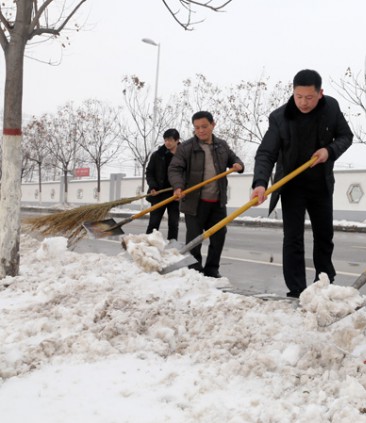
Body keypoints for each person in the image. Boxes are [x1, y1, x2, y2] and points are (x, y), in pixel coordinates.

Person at [251, 69, 353, 298]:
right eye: (299, 96)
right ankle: (296, 289)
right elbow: (266, 153)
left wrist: (329, 151)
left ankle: (324, 282)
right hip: (292, 186)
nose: (303, 102)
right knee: (293, 238)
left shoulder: (331, 108)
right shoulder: (279, 117)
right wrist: (259, 183)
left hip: (320, 185)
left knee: (324, 235)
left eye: (309, 97)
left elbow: (346, 136)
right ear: (293, 92)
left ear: (320, 94)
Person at [168, 111, 244, 278]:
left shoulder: (221, 146)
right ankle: (195, 271)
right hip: (194, 203)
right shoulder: (186, 148)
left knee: (219, 237)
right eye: (197, 128)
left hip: (217, 202)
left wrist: (238, 164)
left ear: (213, 125)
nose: (201, 131)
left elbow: (234, 159)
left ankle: (212, 269)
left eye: (204, 126)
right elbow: (175, 169)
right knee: (195, 240)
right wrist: (178, 186)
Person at [145, 128, 181, 240]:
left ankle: (172, 246)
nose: (167, 142)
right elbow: (149, 172)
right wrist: (152, 186)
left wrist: (181, 188)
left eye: (170, 140)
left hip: (175, 194)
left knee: (174, 224)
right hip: (158, 194)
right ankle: (147, 245)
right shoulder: (157, 155)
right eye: (165, 140)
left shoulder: (184, 155)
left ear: (177, 140)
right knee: (153, 223)